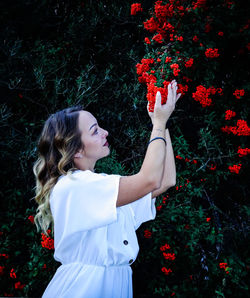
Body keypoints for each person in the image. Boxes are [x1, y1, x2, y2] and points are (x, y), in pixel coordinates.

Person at [33, 80, 181, 298]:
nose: (105, 132)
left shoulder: (99, 185)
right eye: (94, 131)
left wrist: (161, 123)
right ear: (77, 151)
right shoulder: (73, 187)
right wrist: (158, 123)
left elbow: (164, 180)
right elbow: (149, 179)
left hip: (114, 283)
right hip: (84, 287)